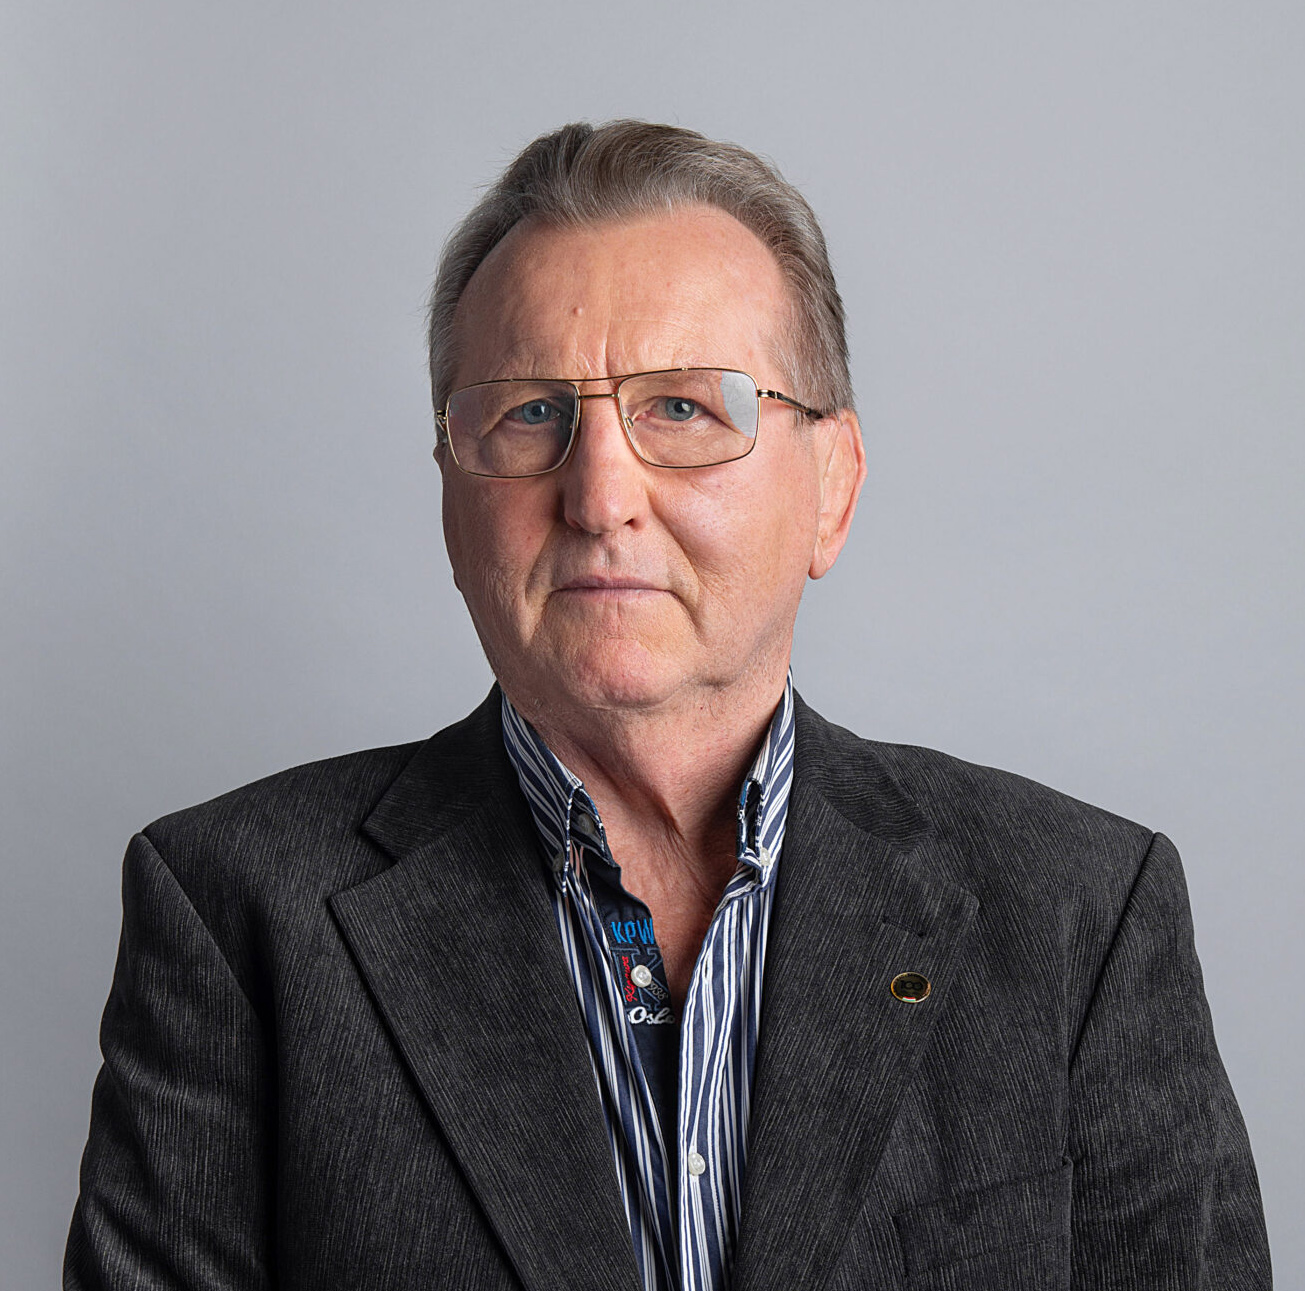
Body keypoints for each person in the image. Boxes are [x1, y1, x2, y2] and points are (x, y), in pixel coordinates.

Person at [65, 120, 1270, 1290]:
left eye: (685, 408)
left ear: (833, 487)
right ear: (450, 494)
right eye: (529, 413)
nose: (599, 496)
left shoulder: (1078, 915)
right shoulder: (237, 914)